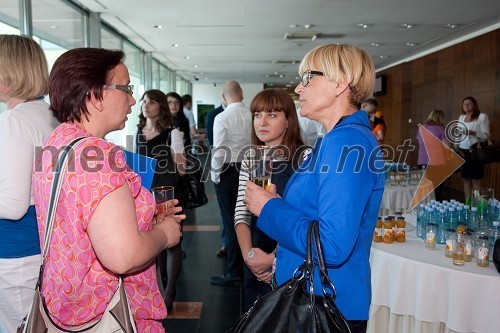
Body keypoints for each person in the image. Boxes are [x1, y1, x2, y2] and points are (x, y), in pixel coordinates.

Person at [32, 48, 184, 331]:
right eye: (125, 88)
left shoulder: (55, 144)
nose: (132, 99)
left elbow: (79, 221)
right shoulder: (98, 156)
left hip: (66, 304)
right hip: (106, 312)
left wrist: (143, 216)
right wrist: (164, 235)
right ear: (94, 94)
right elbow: (123, 256)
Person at [244, 44, 385, 333]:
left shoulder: (345, 143)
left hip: (324, 305)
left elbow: (331, 246)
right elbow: (318, 216)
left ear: (339, 83)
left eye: (309, 77)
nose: (299, 88)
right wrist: (279, 255)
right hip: (318, 296)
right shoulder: (339, 139)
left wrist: (269, 208)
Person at [0, 34, 58, 333]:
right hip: (43, 247)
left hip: (14, 252)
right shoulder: (51, 116)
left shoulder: (15, 122)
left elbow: (11, 204)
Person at [234, 88, 305, 311]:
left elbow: (306, 217)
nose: (262, 122)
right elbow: (241, 213)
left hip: (293, 254)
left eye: (272, 115)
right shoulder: (251, 156)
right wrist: (250, 256)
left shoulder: (305, 157)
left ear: (288, 121)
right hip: (256, 251)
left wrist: (273, 259)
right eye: (257, 115)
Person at [136, 89, 186, 312]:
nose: (146, 105)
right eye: (144, 102)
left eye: (152, 102)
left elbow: (182, 168)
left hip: (168, 193)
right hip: (145, 194)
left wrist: (159, 167)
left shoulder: (171, 132)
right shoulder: (137, 131)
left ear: (161, 106)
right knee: (152, 240)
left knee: (172, 241)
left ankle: (170, 291)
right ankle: (157, 287)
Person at [209, 80, 252, 285]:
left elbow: (219, 149)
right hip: (249, 169)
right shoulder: (252, 115)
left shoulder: (222, 117)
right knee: (246, 218)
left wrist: (215, 175)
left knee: (231, 220)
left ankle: (234, 271)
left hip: (227, 170)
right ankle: (249, 266)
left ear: (224, 97)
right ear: (241, 94)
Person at [456, 96, 490, 202]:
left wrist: (472, 132)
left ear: (474, 105)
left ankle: (477, 206)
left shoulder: (482, 117)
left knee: (476, 180)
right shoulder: (461, 117)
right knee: (466, 179)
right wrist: (456, 147)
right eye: (464, 103)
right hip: (463, 152)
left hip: (475, 152)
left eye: (469, 103)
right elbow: (457, 134)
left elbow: (486, 136)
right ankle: (468, 204)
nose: (466, 105)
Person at [205, 101, 228, 257]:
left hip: (235, 167)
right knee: (225, 211)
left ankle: (231, 244)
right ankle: (226, 243)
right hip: (224, 166)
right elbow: (214, 144)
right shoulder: (215, 115)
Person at [416, 109, 448, 201]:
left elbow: (420, 143)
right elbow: (447, 145)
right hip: (437, 162)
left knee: (425, 190)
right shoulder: (440, 128)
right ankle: (434, 212)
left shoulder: (421, 128)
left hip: (422, 161)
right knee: (436, 191)